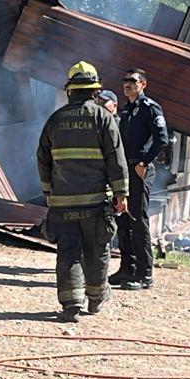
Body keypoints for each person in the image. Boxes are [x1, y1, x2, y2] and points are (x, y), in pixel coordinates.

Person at [36, 62, 127, 323]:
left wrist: (48, 190)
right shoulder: (103, 118)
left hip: (63, 202)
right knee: (97, 248)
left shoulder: (55, 120)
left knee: (68, 251)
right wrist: (121, 194)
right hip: (95, 202)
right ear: (94, 92)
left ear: (70, 91)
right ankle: (96, 298)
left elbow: (42, 157)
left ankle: (71, 304)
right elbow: (116, 159)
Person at [112, 68, 169, 290]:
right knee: (123, 219)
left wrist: (144, 162)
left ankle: (144, 274)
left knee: (137, 219)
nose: (127, 84)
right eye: (125, 80)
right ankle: (128, 268)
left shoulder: (150, 108)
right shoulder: (127, 110)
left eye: (132, 81)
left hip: (139, 168)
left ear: (143, 84)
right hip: (125, 168)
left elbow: (161, 139)